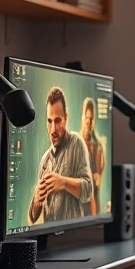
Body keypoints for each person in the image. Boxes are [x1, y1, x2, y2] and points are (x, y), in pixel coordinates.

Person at [29, 86, 93, 224]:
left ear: (66, 118)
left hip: (74, 238)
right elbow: (33, 217)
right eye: (49, 121)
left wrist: (63, 182)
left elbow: (88, 190)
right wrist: (36, 199)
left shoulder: (76, 143)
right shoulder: (44, 161)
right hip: (49, 240)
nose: (53, 129)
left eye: (57, 121)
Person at [80, 97, 106, 216]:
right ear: (83, 118)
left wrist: (97, 176)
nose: (89, 123)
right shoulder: (76, 142)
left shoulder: (98, 147)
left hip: (94, 203)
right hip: (79, 203)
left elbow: (98, 180)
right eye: (87, 118)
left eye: (91, 119)